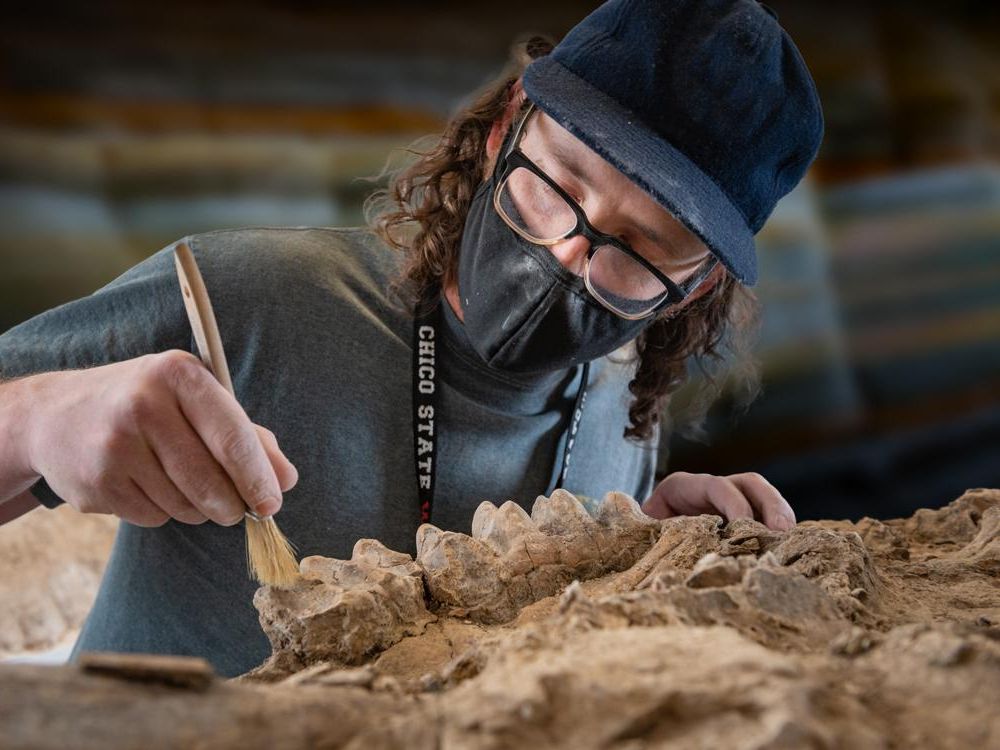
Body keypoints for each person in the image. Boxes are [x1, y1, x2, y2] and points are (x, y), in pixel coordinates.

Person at [0, 0, 823, 676]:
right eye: (560, 185)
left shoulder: (622, 410)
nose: (569, 255)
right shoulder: (243, 300)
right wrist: (34, 421)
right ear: (507, 130)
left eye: (642, 250)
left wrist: (635, 553)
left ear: (697, 285)